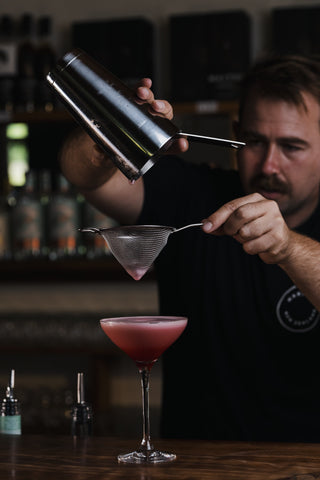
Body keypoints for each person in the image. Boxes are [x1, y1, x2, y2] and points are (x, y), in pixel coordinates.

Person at [60, 54, 320, 442]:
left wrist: (286, 247)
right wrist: (117, 126)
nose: (269, 165)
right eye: (254, 141)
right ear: (235, 133)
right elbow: (81, 173)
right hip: (193, 460)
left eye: (292, 147)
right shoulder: (192, 195)